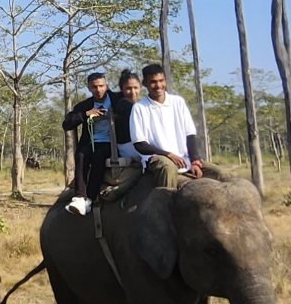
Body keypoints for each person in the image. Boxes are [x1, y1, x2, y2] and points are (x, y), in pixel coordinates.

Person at [125, 63, 204, 188]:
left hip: (185, 159)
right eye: (153, 82)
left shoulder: (178, 102)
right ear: (145, 83)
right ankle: (163, 203)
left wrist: (195, 161)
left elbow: (190, 135)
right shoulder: (139, 108)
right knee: (168, 168)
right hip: (157, 159)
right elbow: (140, 144)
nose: (158, 86)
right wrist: (168, 155)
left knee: (220, 173)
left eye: (161, 81)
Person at [61, 73, 115, 215]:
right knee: (81, 155)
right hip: (91, 142)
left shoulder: (117, 100)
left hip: (112, 144)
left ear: (106, 85)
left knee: (98, 157)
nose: (98, 90)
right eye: (94, 87)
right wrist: (86, 114)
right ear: (89, 88)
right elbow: (67, 124)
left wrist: (112, 115)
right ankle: (80, 197)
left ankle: (90, 198)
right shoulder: (85, 105)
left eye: (101, 86)